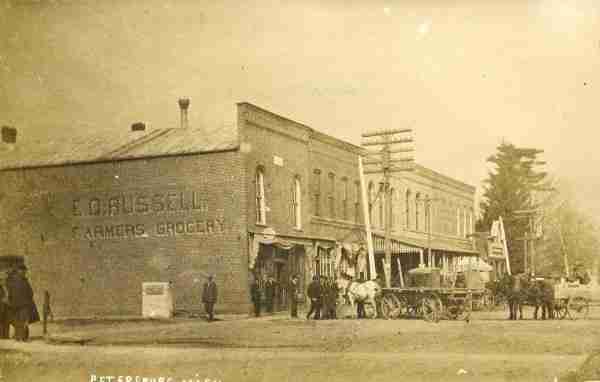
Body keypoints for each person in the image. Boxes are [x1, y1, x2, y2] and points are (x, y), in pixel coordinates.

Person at [6, 265, 39, 341]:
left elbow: (30, 292)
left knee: (20, 321)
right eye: (23, 271)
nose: (24, 272)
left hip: (17, 305)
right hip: (22, 305)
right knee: (22, 321)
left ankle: (20, 337)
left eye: (25, 271)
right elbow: (30, 293)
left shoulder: (12, 280)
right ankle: (22, 337)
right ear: (19, 271)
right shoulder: (21, 280)